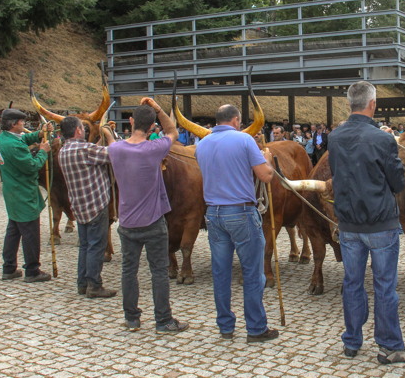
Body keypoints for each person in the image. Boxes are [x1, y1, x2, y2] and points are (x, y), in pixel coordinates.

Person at [328, 80, 405, 365]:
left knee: (352, 283)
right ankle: (390, 345)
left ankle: (352, 341)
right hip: (380, 223)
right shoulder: (382, 139)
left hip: (349, 224)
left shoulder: (334, 137)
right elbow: (398, 183)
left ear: (349, 104)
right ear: (372, 104)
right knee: (384, 286)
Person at [195, 104, 280, 343]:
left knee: (220, 272)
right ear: (235, 120)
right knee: (253, 272)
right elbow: (265, 176)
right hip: (241, 212)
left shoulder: (201, 145)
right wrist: (268, 160)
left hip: (213, 213)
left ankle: (225, 326)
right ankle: (255, 328)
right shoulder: (244, 141)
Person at [107, 100, 188, 334]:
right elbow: (173, 131)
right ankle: (163, 320)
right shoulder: (154, 149)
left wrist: (105, 129)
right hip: (153, 221)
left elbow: (110, 140)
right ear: (152, 127)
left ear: (131, 122)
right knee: (159, 272)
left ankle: (132, 318)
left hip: (127, 222)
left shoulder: (115, 149)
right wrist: (159, 109)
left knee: (128, 271)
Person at [58, 116, 117, 299]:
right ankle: (94, 285)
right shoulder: (84, 149)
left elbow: (95, 153)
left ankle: (82, 284)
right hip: (95, 204)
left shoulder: (64, 150)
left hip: (79, 205)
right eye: (82, 128)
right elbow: (115, 153)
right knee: (96, 246)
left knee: (84, 246)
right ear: (77, 130)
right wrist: (108, 134)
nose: (83, 130)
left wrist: (99, 137)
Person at [0, 109, 53, 281]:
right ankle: (32, 270)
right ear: (13, 124)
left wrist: (40, 133)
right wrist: (43, 151)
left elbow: (23, 140)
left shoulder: (4, 138)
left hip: (13, 191)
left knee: (13, 231)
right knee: (30, 233)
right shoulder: (12, 145)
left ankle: (9, 268)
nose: (23, 125)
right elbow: (31, 166)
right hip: (23, 193)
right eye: (21, 122)